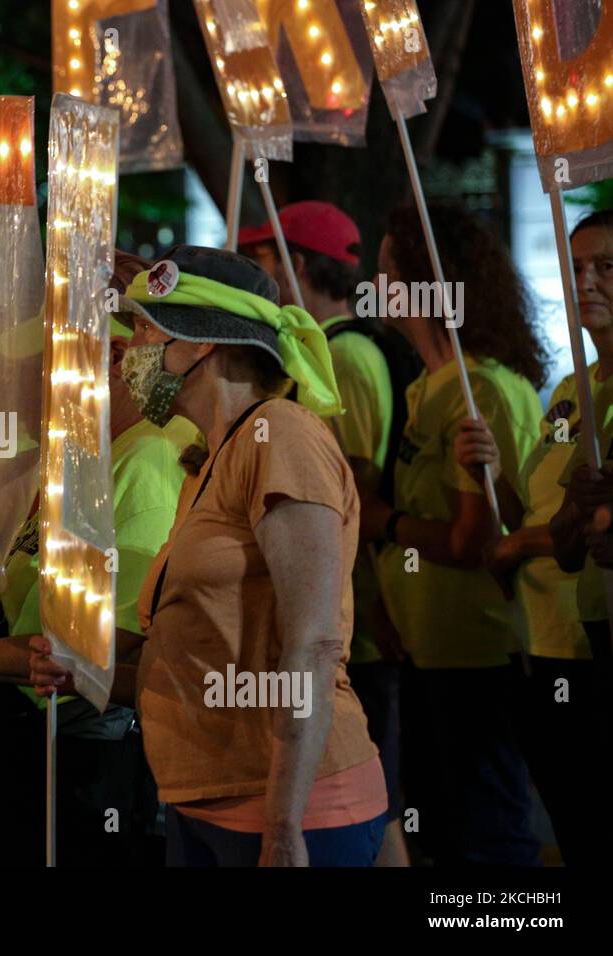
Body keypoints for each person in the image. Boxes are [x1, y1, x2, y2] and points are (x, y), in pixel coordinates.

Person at [33, 248, 386, 867]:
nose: (130, 348)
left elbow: (314, 644)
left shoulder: (282, 435)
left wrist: (283, 829)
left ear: (198, 344)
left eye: (144, 328)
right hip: (204, 801)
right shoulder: (211, 458)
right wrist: (84, 670)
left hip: (283, 807)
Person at [0, 251, 197, 865]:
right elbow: (38, 605)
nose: (25, 388)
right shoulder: (78, 463)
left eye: (42, 368)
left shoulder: (145, 465)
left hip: (85, 772)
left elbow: (115, 650)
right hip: (34, 752)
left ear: (116, 361)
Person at [360, 202, 548, 866]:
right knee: (438, 830)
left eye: (388, 269)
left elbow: (476, 542)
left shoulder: (480, 392)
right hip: (426, 652)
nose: (375, 284)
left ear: (427, 280)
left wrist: (388, 523)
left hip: (477, 654)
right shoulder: (427, 389)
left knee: (485, 836)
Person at [240, 202, 409, 865]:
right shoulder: (346, 349)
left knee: (362, 789)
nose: (264, 278)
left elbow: (352, 504)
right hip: (350, 622)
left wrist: (376, 608)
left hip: (355, 626)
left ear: (298, 264)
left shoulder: (341, 358)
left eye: (265, 262)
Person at [457, 209, 613, 866]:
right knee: (571, 821)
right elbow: (538, 503)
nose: (588, 282)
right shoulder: (570, 390)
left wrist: (518, 547)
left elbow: (585, 527)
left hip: (593, 643)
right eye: (576, 268)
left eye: (607, 267)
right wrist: (486, 470)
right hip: (540, 639)